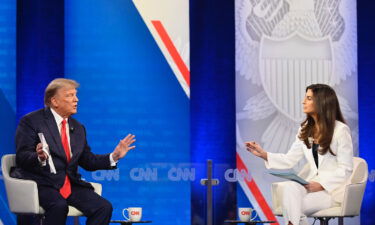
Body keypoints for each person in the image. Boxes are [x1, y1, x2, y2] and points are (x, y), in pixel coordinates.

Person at [13, 78, 136, 225]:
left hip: (68, 184)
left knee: (103, 207)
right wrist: (39, 157)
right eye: (69, 95)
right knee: (59, 206)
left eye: (75, 95)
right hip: (41, 182)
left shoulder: (78, 128)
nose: (76, 100)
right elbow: (22, 157)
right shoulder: (31, 121)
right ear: (55, 101)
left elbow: (87, 160)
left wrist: (114, 156)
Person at [245, 84, 353, 225]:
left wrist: (322, 185)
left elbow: (346, 169)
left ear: (322, 102)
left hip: (331, 191)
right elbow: (290, 159)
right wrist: (263, 154)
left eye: (308, 98)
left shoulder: (340, 130)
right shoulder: (305, 129)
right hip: (310, 185)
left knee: (293, 207)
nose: (303, 101)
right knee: (290, 188)